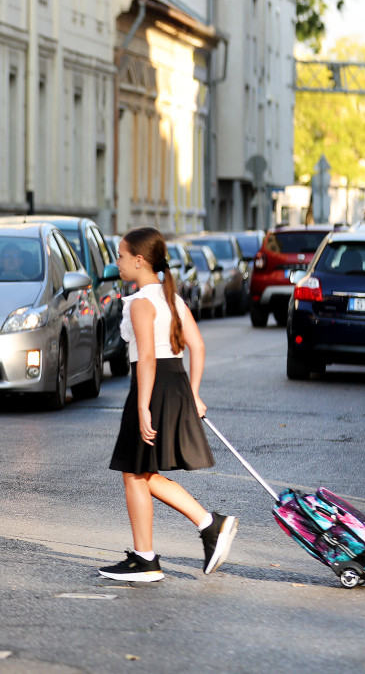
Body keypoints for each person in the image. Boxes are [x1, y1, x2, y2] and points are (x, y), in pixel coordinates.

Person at [99, 227, 238, 582]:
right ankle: (207, 526)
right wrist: (192, 392)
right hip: (174, 383)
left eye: (120, 256)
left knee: (134, 472)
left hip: (153, 385)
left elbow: (145, 358)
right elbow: (198, 346)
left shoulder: (142, 302)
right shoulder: (171, 297)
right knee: (141, 472)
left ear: (139, 260)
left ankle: (148, 559)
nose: (117, 262)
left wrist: (143, 406)